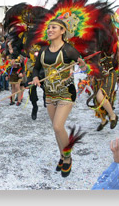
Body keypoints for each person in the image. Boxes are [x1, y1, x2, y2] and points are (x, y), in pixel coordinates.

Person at [31, 19, 88, 177]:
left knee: (57, 126)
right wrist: (36, 78)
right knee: (57, 130)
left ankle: (68, 158)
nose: (49, 30)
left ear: (62, 31)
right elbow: (36, 69)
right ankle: (62, 156)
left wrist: (83, 64)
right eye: (48, 27)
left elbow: (84, 68)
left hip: (66, 93)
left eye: (54, 27)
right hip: (49, 94)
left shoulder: (69, 50)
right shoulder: (43, 51)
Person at [26, 45, 46, 120]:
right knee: (32, 92)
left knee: (47, 88)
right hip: (32, 76)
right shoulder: (30, 58)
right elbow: (29, 67)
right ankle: (35, 107)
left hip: (42, 75)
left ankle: (45, 98)